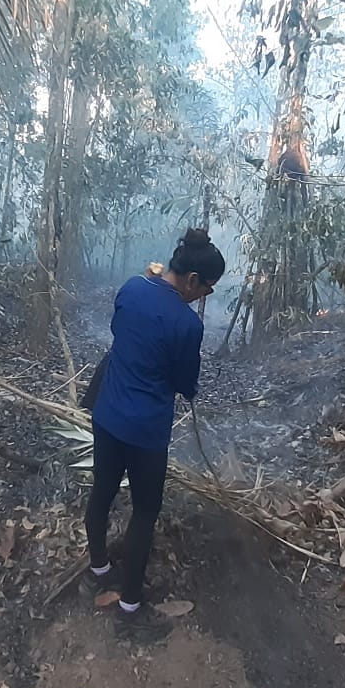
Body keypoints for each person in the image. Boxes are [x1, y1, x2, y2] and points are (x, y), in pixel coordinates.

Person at [81, 227, 225, 642]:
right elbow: (185, 383)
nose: (204, 298)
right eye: (207, 290)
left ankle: (100, 570)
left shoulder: (131, 287)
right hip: (145, 431)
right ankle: (130, 608)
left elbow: (119, 331)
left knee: (103, 491)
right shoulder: (186, 324)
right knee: (144, 511)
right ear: (193, 280)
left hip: (107, 416)